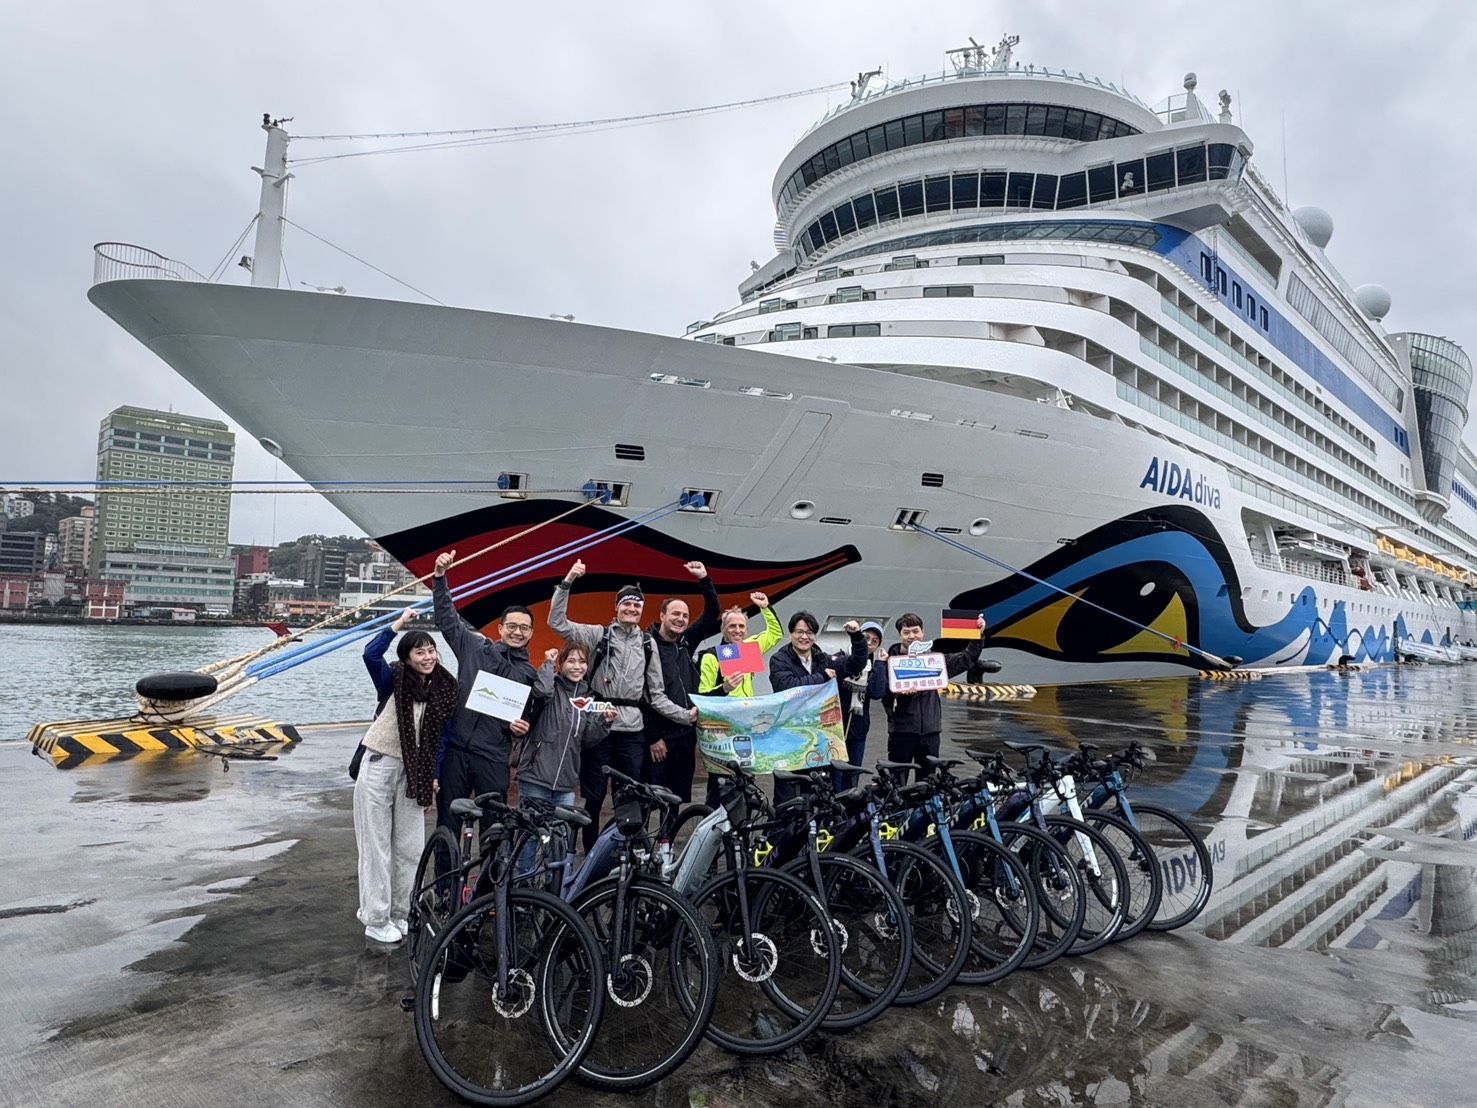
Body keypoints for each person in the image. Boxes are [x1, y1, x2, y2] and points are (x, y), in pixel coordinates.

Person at [550, 559, 696, 849]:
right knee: (593, 797)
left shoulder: (647, 643)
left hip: (632, 730)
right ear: (616, 608)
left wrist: (685, 715)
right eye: (626, 604)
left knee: (628, 796)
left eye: (637, 606)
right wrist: (567, 582)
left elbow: (656, 694)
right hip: (599, 726)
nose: (632, 609)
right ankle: (590, 854)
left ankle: (622, 854)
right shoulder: (598, 634)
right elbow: (557, 623)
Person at [355, 609, 458, 944]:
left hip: (417, 774)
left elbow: (442, 739)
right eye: (419, 652)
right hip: (380, 764)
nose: (427, 657)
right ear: (407, 657)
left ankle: (401, 911)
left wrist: (434, 776)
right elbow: (370, 654)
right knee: (376, 846)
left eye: (431, 650)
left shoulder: (445, 689)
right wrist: (398, 624)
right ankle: (375, 918)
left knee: (411, 847)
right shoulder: (393, 679)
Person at [431, 549, 538, 835]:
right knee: (448, 823)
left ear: (531, 633)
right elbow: (446, 619)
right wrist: (440, 577)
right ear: (500, 628)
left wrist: (521, 726)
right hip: (457, 750)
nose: (517, 632)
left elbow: (528, 716)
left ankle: (489, 867)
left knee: (494, 827)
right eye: (512, 626)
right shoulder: (474, 647)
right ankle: (445, 866)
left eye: (524, 628)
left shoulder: (530, 674)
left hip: (493, 755)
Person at [515, 643, 616, 873]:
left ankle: (554, 888)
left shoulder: (587, 697)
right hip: (536, 776)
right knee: (530, 835)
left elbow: (587, 740)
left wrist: (604, 722)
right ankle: (523, 883)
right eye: (571, 661)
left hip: (566, 784)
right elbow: (541, 691)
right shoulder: (552, 687)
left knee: (560, 839)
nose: (577, 666)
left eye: (582, 662)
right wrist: (547, 664)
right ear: (561, 664)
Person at [867, 611, 987, 781]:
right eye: (906, 632)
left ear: (922, 632)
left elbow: (967, 659)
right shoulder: (891, 662)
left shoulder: (934, 661)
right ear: (900, 635)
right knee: (897, 780)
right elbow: (881, 694)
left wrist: (978, 635)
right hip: (902, 732)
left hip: (931, 733)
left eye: (915, 631)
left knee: (928, 782)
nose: (911, 636)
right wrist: (900, 695)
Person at [769, 611, 867, 803]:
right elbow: (787, 686)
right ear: (791, 634)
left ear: (815, 635)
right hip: (790, 738)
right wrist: (821, 677)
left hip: (818, 739)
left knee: (818, 796)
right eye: (799, 632)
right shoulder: (779, 659)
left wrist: (857, 637)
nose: (804, 637)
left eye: (809, 632)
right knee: (787, 798)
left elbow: (856, 664)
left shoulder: (822, 659)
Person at [695, 592, 782, 805]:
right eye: (732, 626)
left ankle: (742, 824)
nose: (737, 630)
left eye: (742, 626)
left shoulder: (748, 649)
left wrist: (765, 607)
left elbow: (775, 634)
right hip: (722, 731)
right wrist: (724, 688)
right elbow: (703, 696)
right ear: (723, 629)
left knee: (746, 785)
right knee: (720, 788)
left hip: (746, 727)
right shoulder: (712, 656)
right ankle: (713, 823)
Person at [646, 561, 720, 801]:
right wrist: (652, 737)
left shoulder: (686, 642)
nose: (680, 619)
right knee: (652, 798)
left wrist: (704, 580)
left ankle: (670, 829)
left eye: (685, 616)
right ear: (662, 616)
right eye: (675, 614)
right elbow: (641, 695)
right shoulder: (647, 646)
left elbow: (711, 614)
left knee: (676, 799)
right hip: (660, 737)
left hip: (685, 736)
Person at [835, 620, 885, 788]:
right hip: (837, 727)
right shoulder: (840, 658)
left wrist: (880, 664)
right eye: (866, 638)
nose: (869, 643)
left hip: (858, 728)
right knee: (836, 777)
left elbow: (877, 693)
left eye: (875, 641)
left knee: (853, 775)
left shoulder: (872, 668)